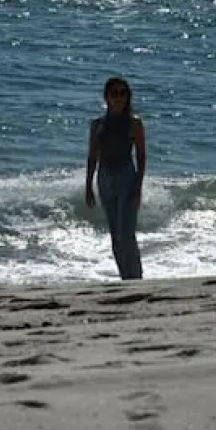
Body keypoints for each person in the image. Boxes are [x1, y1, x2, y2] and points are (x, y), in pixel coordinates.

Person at [84, 76, 147, 280]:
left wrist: (138, 186)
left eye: (122, 93)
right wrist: (88, 186)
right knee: (115, 235)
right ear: (107, 97)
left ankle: (135, 277)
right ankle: (124, 277)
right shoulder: (97, 124)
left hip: (126, 175)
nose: (118, 98)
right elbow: (92, 156)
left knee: (126, 233)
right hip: (104, 177)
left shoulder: (134, 123)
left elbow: (141, 156)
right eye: (114, 93)